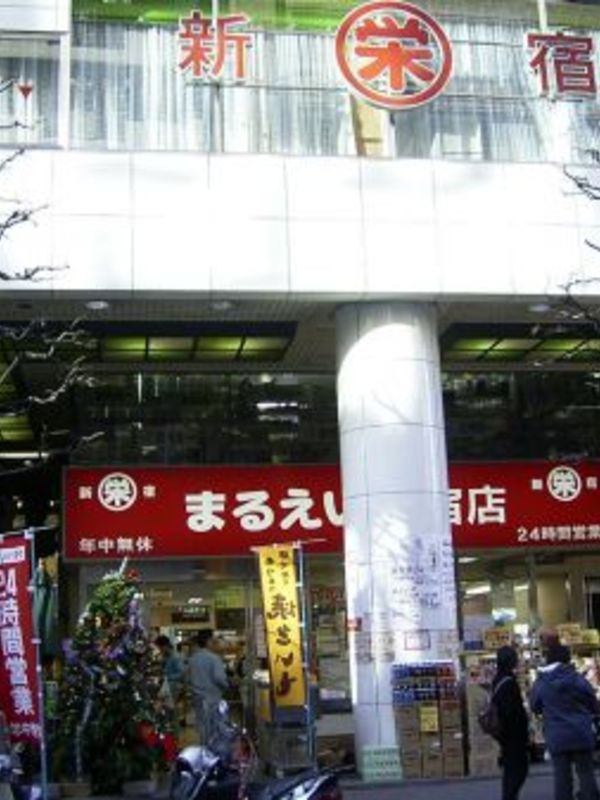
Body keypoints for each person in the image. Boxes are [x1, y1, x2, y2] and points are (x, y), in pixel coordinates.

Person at [531, 643, 600, 800]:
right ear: (567, 660)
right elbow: (593, 703)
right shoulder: (577, 679)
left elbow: (535, 706)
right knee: (586, 773)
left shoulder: (542, 682)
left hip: (557, 735)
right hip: (581, 732)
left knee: (562, 777)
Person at [493, 645, 529, 800]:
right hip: (514, 734)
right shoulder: (508, 682)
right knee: (518, 771)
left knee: (511, 771)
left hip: (504, 734)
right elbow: (512, 711)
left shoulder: (498, 678)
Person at [187, 629, 229, 744]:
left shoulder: (192, 659)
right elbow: (219, 678)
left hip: (197, 698)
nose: (215, 643)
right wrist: (226, 686)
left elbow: (188, 678)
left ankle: (204, 750)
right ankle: (213, 752)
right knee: (214, 730)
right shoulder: (214, 658)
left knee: (202, 729)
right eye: (214, 641)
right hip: (212, 699)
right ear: (209, 641)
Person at [155, 634, 185, 708]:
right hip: (169, 687)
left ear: (165, 646)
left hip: (174, 688)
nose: (160, 650)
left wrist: (167, 677)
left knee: (170, 708)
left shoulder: (175, 657)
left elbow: (181, 674)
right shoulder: (167, 657)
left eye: (160, 648)